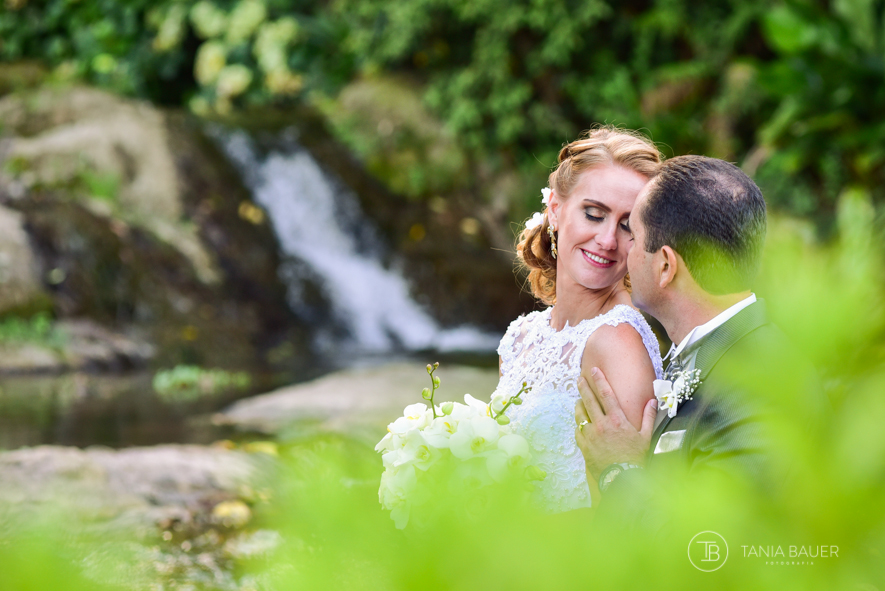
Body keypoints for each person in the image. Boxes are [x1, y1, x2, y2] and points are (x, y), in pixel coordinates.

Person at [573, 155, 825, 529]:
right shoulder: (715, 352)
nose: (623, 249)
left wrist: (618, 470)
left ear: (665, 267)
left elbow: (711, 555)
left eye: (635, 237)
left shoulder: (758, 386)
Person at [492, 127, 664, 513]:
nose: (607, 240)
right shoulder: (521, 337)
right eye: (594, 213)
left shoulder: (617, 343)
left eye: (626, 225)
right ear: (555, 209)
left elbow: (623, 518)